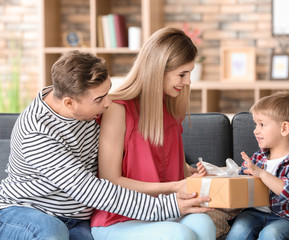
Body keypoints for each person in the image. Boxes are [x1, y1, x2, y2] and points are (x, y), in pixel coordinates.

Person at [0, 50, 213, 240]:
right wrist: (168, 205)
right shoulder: (37, 132)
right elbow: (92, 190)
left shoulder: (84, 104)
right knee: (52, 231)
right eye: (100, 99)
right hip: (26, 210)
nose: (108, 103)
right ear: (69, 103)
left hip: (76, 218)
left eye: (108, 91)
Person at [90, 27, 217, 240]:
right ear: (158, 70)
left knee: (204, 225)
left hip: (165, 211)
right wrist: (175, 186)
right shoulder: (117, 109)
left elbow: (161, 165)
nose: (187, 82)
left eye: (189, 74)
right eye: (182, 74)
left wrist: (190, 174)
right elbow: (110, 180)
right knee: (178, 235)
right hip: (121, 217)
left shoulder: (169, 109)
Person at [224, 92, 289, 240]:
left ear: (284, 129)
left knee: (270, 234)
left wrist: (261, 173)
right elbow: (241, 184)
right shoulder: (258, 157)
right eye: (255, 124)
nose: (255, 130)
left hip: (287, 218)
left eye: (262, 124)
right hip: (254, 213)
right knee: (239, 229)